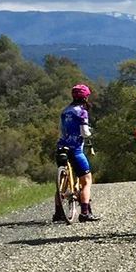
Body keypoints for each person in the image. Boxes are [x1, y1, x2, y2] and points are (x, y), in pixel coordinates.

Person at [54, 82, 97, 222]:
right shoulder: (82, 111)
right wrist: (90, 133)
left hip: (61, 147)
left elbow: (61, 130)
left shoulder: (65, 110)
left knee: (62, 181)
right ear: (85, 97)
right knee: (86, 180)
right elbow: (84, 133)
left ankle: (58, 213)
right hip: (76, 149)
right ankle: (85, 212)